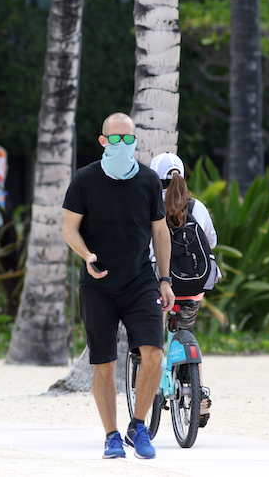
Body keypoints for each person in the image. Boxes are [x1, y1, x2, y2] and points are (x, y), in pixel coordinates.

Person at [62, 112, 175, 460]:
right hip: (98, 285)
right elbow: (69, 228)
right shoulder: (85, 180)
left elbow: (160, 231)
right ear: (103, 141)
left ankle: (138, 426)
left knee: (154, 353)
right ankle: (111, 435)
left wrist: (166, 279)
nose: (123, 144)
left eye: (129, 138)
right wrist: (86, 255)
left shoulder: (147, 181)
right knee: (105, 363)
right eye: (116, 138)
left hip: (140, 281)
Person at [149, 151, 217, 427]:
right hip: (195, 285)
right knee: (185, 331)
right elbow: (210, 240)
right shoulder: (197, 206)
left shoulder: (150, 205)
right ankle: (195, 389)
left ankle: (150, 382)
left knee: (151, 337)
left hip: (159, 285)